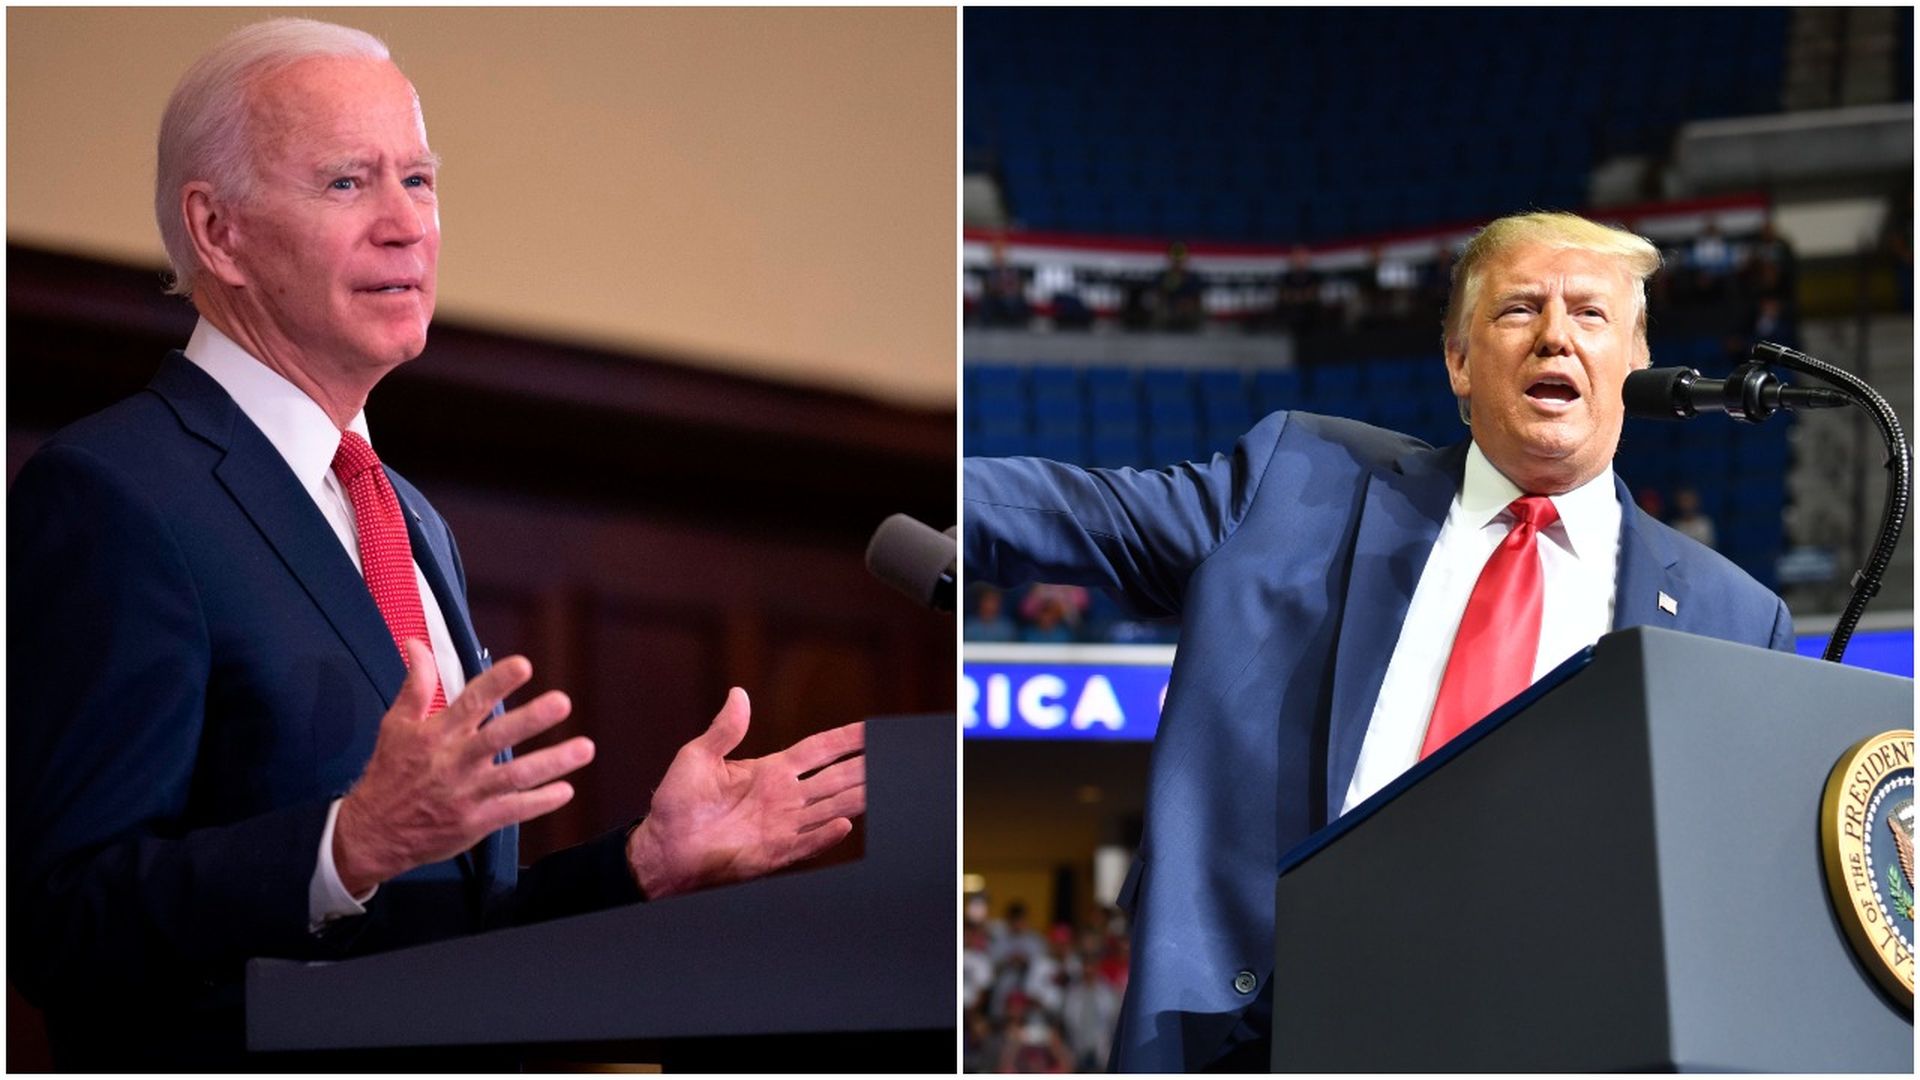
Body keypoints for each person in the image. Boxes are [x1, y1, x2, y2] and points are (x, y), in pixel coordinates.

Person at [9, 19, 866, 1068]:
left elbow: (442, 944)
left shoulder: (410, 519)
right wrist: (342, 848)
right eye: (346, 184)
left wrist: (641, 865)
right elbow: (57, 926)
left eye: (419, 179)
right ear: (217, 231)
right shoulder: (113, 493)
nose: (406, 224)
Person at [962, 210, 1793, 1070]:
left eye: (1590, 314)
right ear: (1458, 363)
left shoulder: (1731, 620)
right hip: (1263, 1037)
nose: (1555, 335)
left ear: (1637, 362)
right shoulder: (1300, 484)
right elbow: (1080, 512)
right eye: (1518, 310)